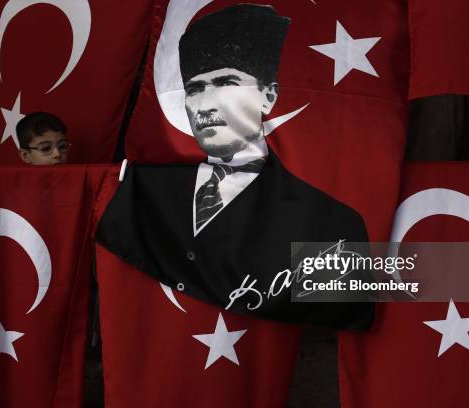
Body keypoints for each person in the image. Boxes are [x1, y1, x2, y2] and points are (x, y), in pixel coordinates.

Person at [97, 4, 372, 327]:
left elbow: (340, 304)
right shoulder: (144, 193)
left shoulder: (332, 221)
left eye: (226, 82)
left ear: (268, 96)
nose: (206, 105)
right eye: (195, 88)